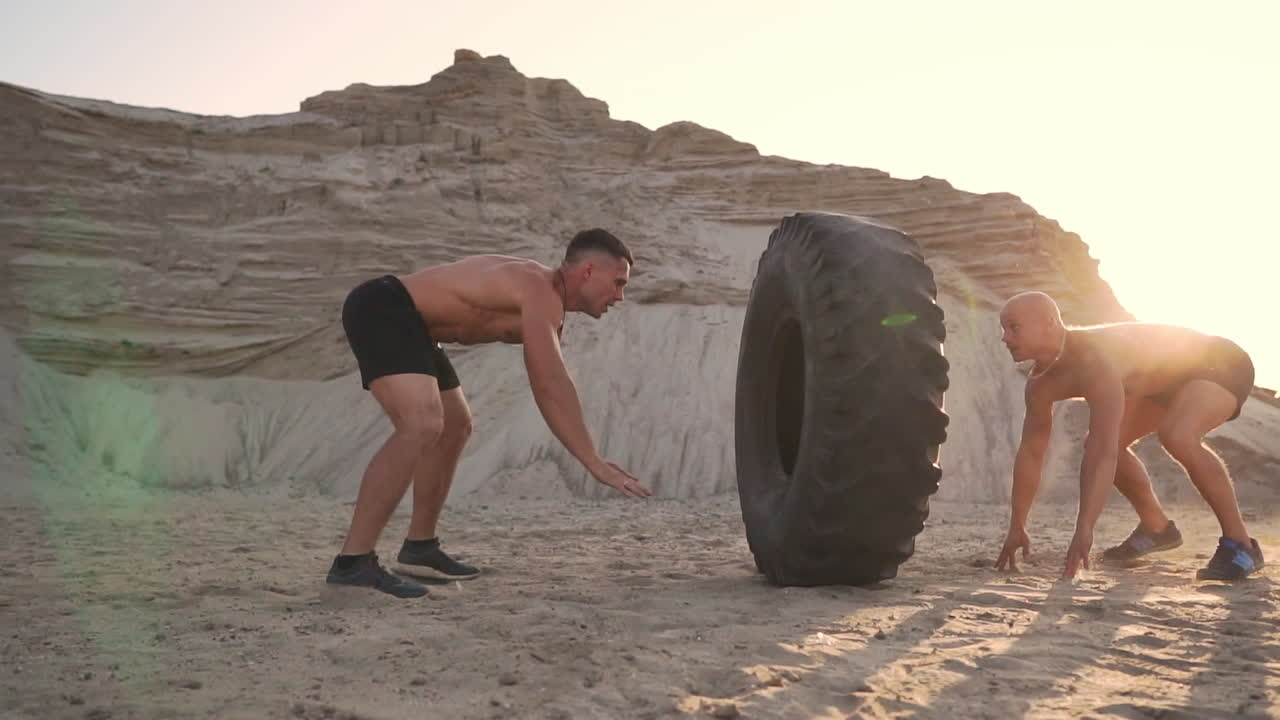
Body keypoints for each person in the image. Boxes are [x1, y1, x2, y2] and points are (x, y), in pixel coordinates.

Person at [325, 228, 652, 598]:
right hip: (384, 307)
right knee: (421, 424)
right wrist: (592, 460)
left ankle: (420, 548)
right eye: (619, 282)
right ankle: (353, 563)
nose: (621, 296)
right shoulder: (539, 290)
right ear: (589, 271)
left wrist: (588, 453)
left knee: (455, 425)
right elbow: (549, 384)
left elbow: (553, 380)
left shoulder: (546, 302)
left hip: (417, 329)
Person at [993, 291, 1264, 581]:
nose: (1005, 338)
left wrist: (1085, 529)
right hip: (1161, 382)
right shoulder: (1039, 384)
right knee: (1100, 442)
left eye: (1014, 328)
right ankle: (1156, 527)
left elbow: (1103, 450)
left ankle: (1242, 545)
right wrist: (1017, 525)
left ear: (1048, 323)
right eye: (1004, 329)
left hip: (1220, 362)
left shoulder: (1095, 360)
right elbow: (1032, 453)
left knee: (1177, 435)